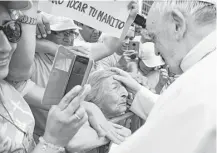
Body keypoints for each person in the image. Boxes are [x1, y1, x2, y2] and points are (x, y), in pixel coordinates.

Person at [109, 0, 216, 153]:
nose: (157, 52)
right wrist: (138, 92)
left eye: (154, 38)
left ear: (177, 26)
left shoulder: (199, 84)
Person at [0, 1, 89, 153]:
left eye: (11, 30)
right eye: (62, 33)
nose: (7, 47)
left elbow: (58, 102)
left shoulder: (8, 86)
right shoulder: (30, 66)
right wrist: (51, 142)